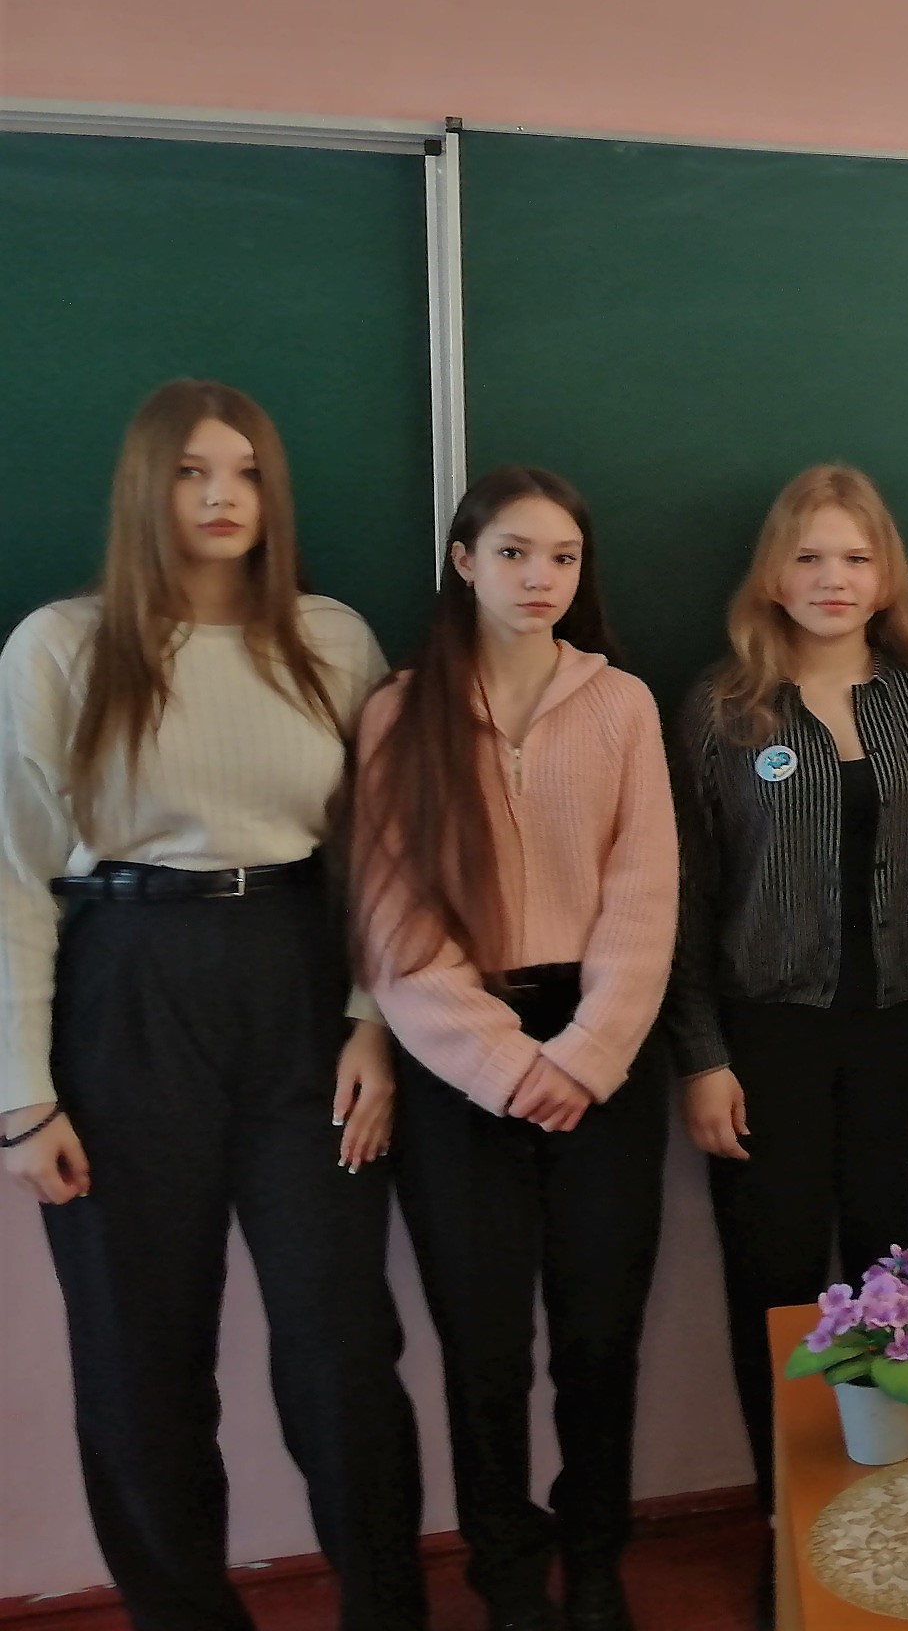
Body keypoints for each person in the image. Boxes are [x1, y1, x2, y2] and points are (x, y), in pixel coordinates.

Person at [0, 380, 425, 1631]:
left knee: (342, 1345)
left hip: (300, 979)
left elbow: (385, 853)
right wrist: (22, 1099)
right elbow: (14, 874)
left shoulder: (333, 640)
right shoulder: (59, 646)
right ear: (146, 485)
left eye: (243, 472)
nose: (222, 496)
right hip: (124, 983)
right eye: (191, 471)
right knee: (140, 1355)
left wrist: (374, 1020)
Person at [353, 467, 677, 1631]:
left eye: (563, 558)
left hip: (603, 1053)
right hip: (459, 1064)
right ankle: (505, 1571)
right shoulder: (401, 713)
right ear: (463, 561)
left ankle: (593, 1556)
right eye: (512, 553)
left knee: (599, 1334)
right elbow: (392, 917)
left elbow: (645, 892)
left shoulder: (622, 704)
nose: (540, 578)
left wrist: (583, 1056)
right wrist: (499, 1064)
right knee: (483, 1344)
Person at [664, 464, 908, 1525]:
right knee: (779, 1295)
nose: (831, 577)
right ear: (772, 574)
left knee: (906, 1290)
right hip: (768, 1046)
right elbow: (684, 895)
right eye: (808, 556)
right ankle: (790, 1531)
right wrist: (702, 1057)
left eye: (854, 556)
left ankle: (893, 1523)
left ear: (885, 577)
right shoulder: (723, 710)